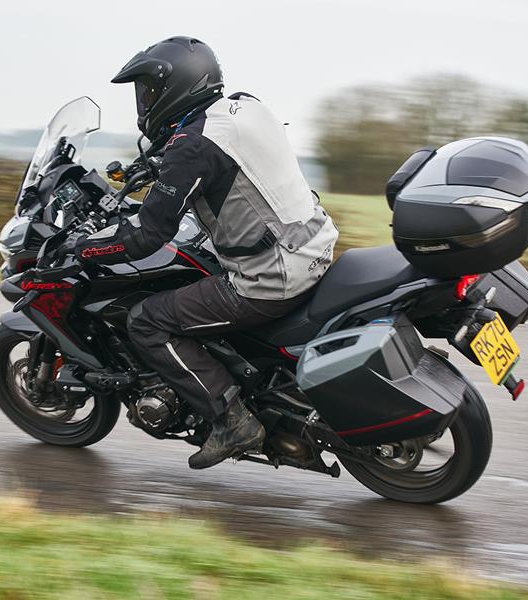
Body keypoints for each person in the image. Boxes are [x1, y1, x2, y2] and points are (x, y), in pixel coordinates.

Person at [74, 36, 339, 469]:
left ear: (172, 88)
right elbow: (222, 163)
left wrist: (84, 247)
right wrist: (160, 167)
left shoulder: (193, 145)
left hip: (269, 278)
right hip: (309, 247)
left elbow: (147, 236)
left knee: (147, 320)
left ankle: (232, 419)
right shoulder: (241, 107)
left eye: (147, 91)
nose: (144, 102)